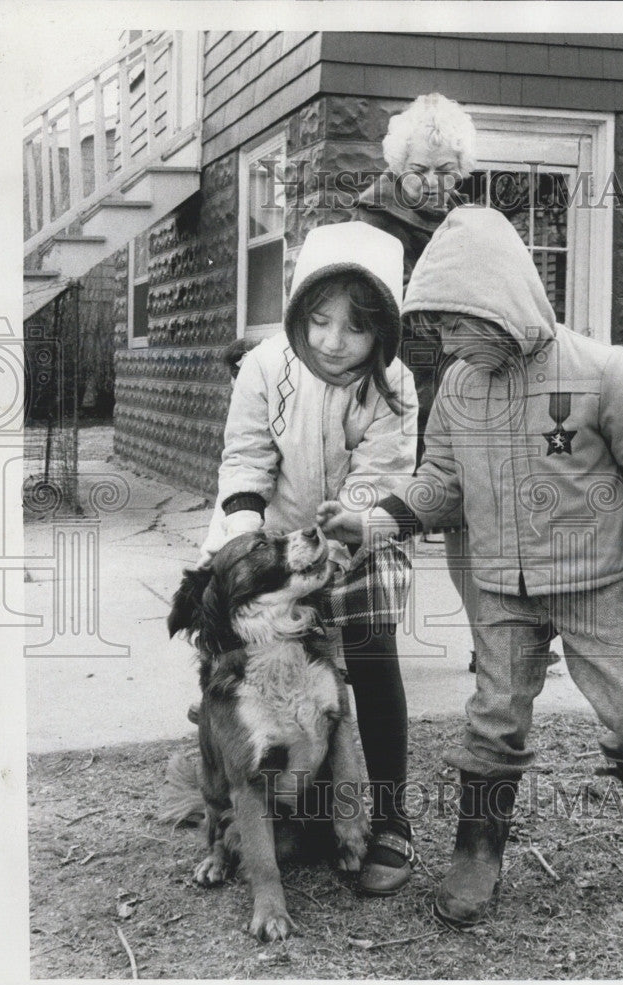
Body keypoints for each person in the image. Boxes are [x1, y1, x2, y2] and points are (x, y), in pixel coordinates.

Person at [317, 206, 623, 924]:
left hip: (593, 583)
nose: (445, 339)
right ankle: (477, 853)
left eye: (457, 322)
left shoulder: (601, 371)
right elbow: (439, 483)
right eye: (434, 324)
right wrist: (372, 523)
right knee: (492, 723)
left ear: (499, 303)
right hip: (501, 591)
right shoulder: (460, 390)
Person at [198, 221, 419, 896]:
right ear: (298, 315)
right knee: (237, 663)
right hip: (264, 528)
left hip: (353, 533)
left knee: (369, 655)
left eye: (354, 329)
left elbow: (383, 469)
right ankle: (243, 792)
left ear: (382, 330)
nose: (333, 341)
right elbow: (245, 457)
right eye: (319, 322)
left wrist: (346, 520)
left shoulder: (396, 385)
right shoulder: (267, 366)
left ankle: (388, 816)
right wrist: (247, 540)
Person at [355, 92, 485, 671]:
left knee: (464, 511)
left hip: (458, 381)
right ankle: (364, 642)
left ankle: (491, 642)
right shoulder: (371, 220)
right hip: (399, 384)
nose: (432, 183)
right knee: (381, 507)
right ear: (395, 168)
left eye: (446, 171)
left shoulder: (467, 221)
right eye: (418, 172)